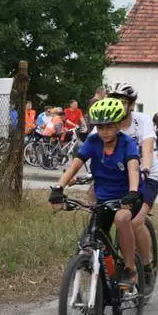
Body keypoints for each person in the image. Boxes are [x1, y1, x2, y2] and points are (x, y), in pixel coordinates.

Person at [49, 97, 142, 291]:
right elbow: (74, 166)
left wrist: (133, 192)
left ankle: (130, 268)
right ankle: (103, 282)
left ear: (119, 125)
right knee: (90, 240)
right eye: (100, 127)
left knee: (122, 218)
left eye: (109, 127)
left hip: (127, 198)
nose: (104, 132)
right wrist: (59, 188)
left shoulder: (127, 144)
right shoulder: (93, 142)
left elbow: (133, 169)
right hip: (103, 199)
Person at [106, 82, 158, 293]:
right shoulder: (106, 120)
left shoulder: (142, 121)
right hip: (119, 177)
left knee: (136, 222)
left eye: (122, 101)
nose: (117, 105)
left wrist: (144, 168)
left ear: (131, 105)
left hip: (147, 176)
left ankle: (146, 267)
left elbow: (147, 148)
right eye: (113, 101)